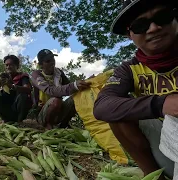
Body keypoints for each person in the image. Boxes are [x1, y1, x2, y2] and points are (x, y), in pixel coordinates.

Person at [93, 0, 178, 178]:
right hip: (165, 148)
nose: (154, 28)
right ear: (129, 35)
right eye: (141, 25)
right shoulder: (129, 69)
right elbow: (102, 105)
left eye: (162, 17)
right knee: (117, 113)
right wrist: (160, 104)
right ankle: (154, 175)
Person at [31, 49, 91, 129]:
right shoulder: (36, 75)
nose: (52, 62)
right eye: (48, 61)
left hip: (59, 109)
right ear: (41, 65)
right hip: (42, 112)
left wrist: (86, 82)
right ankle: (47, 125)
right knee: (56, 100)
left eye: (53, 59)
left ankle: (64, 124)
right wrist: (74, 86)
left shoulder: (59, 72)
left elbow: (69, 87)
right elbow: (50, 90)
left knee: (76, 97)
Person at [0, 55, 32, 123]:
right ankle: (5, 119)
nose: (8, 67)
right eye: (6, 65)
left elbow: (28, 89)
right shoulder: (3, 76)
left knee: (23, 95)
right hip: (6, 108)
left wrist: (11, 86)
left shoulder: (23, 76)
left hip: (17, 108)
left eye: (11, 65)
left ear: (17, 66)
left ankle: (19, 121)